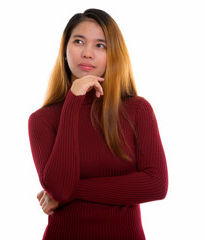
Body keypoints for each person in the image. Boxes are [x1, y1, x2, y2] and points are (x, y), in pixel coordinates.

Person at [28, 8, 168, 239]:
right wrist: (73, 101)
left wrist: (74, 191)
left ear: (113, 55)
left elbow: (156, 184)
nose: (87, 53)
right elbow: (60, 188)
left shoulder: (137, 110)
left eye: (100, 45)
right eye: (79, 41)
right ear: (65, 51)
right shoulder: (42, 120)